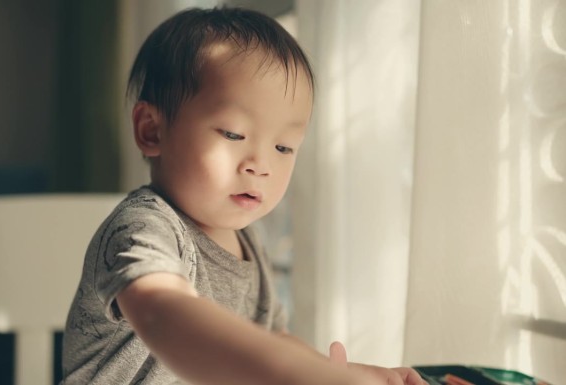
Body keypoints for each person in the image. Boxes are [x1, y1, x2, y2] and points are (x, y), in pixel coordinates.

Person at [61, 6, 426, 385]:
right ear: (152, 131)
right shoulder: (145, 227)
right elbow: (166, 316)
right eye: (234, 135)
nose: (261, 164)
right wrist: (298, 374)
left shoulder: (248, 243)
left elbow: (272, 337)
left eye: (284, 148)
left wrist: (340, 372)